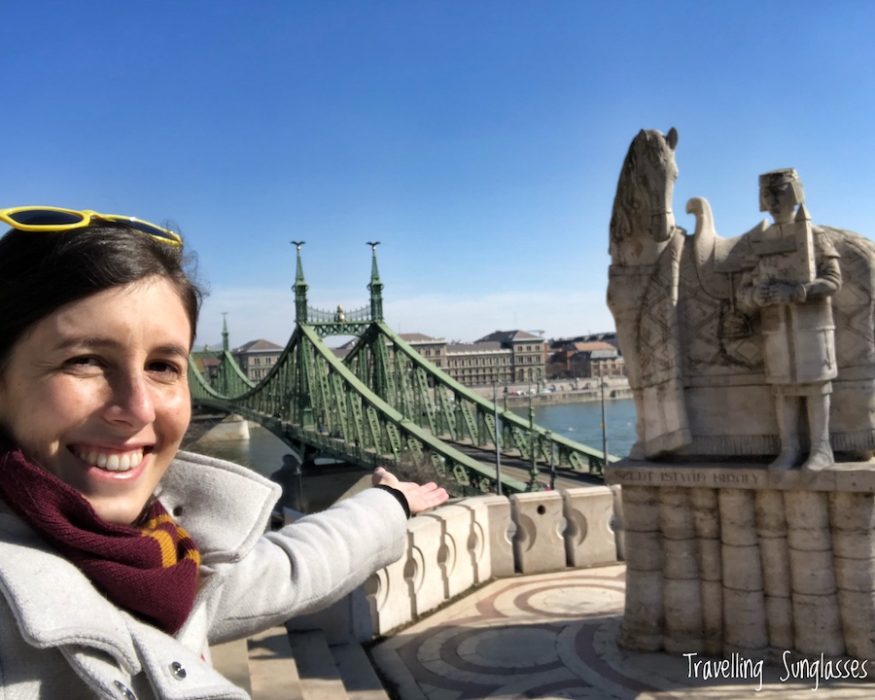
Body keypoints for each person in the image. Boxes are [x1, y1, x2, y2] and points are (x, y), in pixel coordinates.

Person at [0, 206, 448, 699]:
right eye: (84, 360)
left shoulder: (162, 559)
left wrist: (389, 503)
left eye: (164, 366)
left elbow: (289, 568)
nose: (138, 408)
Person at [736, 171, 841, 471]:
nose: (772, 201)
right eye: (767, 194)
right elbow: (743, 292)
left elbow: (833, 280)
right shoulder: (757, 242)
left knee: (816, 385)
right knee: (783, 389)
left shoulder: (816, 235)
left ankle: (822, 448)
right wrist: (758, 296)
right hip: (776, 329)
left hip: (812, 327)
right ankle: (790, 448)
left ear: (793, 194)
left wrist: (799, 291)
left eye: (778, 193)